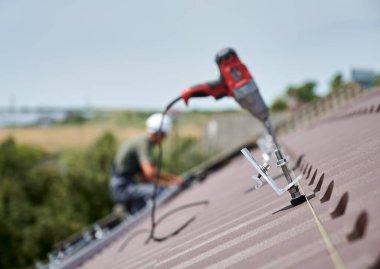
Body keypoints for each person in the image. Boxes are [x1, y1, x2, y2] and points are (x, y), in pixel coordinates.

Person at [109, 113, 182, 215]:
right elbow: (149, 173)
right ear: (159, 133)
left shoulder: (142, 141)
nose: (164, 140)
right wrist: (173, 179)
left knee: (152, 193)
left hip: (126, 185)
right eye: (164, 136)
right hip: (123, 188)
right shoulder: (144, 143)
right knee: (161, 192)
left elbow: (146, 177)